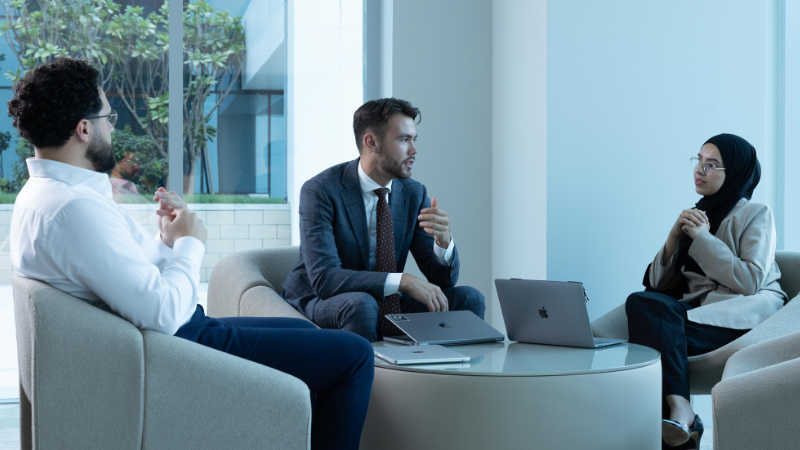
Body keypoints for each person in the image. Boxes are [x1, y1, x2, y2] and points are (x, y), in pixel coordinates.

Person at [8, 57, 373, 450]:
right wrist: (190, 243)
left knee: (304, 330)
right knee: (354, 354)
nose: (112, 129)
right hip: (179, 345)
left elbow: (132, 280)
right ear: (84, 129)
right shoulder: (72, 209)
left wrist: (167, 241)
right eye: (108, 119)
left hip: (172, 332)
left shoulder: (47, 195)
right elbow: (162, 312)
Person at [625, 133, 786, 449]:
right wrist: (674, 237)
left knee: (656, 337)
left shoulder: (755, 213)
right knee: (642, 304)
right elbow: (657, 285)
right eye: (698, 160)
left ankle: (682, 418)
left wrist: (702, 238)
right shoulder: (698, 213)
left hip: (745, 315)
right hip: (698, 314)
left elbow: (750, 279)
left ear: (736, 172)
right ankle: (683, 418)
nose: (700, 169)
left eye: (712, 164)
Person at [282, 98, 486, 342]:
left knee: (469, 299)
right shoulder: (321, 190)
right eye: (404, 139)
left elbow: (442, 281)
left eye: (414, 139)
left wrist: (443, 244)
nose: (414, 150)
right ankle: (373, 380)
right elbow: (325, 279)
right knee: (362, 305)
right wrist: (403, 281)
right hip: (323, 301)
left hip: (384, 302)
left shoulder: (413, 193)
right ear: (372, 142)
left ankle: (454, 379)